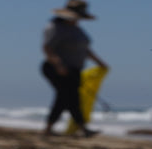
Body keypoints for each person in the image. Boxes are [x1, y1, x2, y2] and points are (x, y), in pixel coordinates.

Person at [41, 1, 108, 137]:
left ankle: (81, 128)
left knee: (72, 98)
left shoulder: (77, 30)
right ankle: (51, 128)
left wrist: (100, 62)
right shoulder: (56, 27)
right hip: (57, 69)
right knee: (65, 97)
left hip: (74, 70)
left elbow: (85, 50)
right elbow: (47, 48)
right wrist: (59, 65)